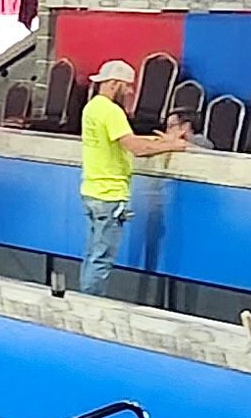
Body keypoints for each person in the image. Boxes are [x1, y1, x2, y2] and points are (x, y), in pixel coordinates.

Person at [79, 59, 190, 298]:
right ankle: (89, 306)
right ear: (114, 84)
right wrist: (174, 146)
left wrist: (159, 142)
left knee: (92, 255)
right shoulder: (112, 111)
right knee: (101, 259)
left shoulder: (92, 108)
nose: (130, 92)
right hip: (109, 195)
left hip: (92, 191)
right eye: (127, 86)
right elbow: (134, 148)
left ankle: (85, 300)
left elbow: (123, 139)